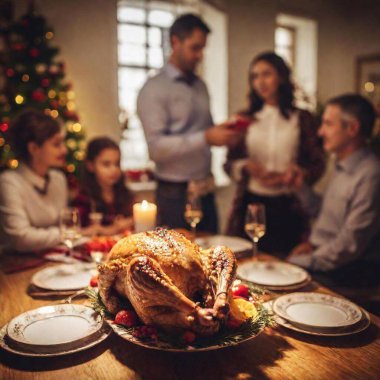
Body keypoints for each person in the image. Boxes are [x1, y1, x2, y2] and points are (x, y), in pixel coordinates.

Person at [137, 13, 241, 233]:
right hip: (173, 194)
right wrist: (205, 137)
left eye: (203, 48)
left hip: (206, 190)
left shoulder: (201, 86)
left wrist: (225, 133)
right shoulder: (153, 89)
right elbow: (156, 149)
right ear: (175, 42)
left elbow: (206, 131)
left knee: (211, 259)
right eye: (195, 48)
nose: (200, 55)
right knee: (174, 263)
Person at [225, 52, 325, 254]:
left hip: (288, 205)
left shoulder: (302, 118)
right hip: (251, 203)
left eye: (266, 74)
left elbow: (317, 162)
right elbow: (228, 163)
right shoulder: (244, 119)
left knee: (284, 266)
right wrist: (246, 167)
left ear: (280, 77)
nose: (260, 82)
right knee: (246, 263)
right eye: (255, 76)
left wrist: (298, 172)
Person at [287, 94, 380, 272]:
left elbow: (349, 245)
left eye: (328, 124)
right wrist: (300, 187)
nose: (320, 132)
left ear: (352, 128)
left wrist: (303, 261)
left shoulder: (371, 175)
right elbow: (326, 213)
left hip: (347, 273)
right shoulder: (340, 164)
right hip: (321, 257)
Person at [0, 109, 68, 252]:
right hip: (16, 266)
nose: (64, 150)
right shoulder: (9, 182)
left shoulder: (58, 179)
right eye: (56, 144)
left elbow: (65, 224)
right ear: (34, 148)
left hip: (53, 257)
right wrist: (68, 234)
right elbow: (21, 237)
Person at [73, 137, 134, 236]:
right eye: (106, 164)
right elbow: (76, 231)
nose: (114, 170)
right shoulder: (84, 199)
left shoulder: (124, 194)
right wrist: (111, 229)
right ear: (91, 166)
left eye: (117, 164)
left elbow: (136, 219)